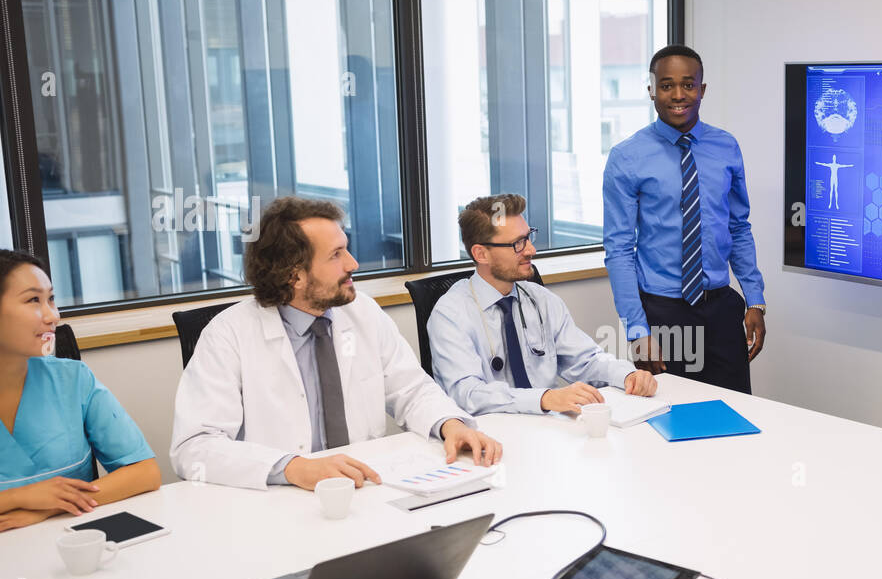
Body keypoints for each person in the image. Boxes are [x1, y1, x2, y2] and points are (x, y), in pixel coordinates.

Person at [170, 196, 501, 491]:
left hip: (366, 489)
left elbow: (411, 389)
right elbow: (194, 447)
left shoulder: (363, 313)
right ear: (294, 275)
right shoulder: (228, 335)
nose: (353, 264)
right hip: (279, 503)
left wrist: (450, 424)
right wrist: (293, 468)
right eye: (336, 255)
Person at [602, 44, 766, 394]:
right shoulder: (627, 158)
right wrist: (637, 329)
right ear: (651, 90)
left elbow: (738, 227)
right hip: (663, 316)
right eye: (666, 85)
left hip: (721, 309)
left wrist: (754, 298)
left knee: (735, 417)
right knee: (669, 421)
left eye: (688, 85)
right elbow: (618, 249)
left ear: (702, 90)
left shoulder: (726, 147)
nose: (678, 95)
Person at [430, 193, 657, 415]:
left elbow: (586, 360)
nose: (531, 250)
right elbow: (467, 394)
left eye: (528, 237)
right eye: (517, 244)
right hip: (489, 438)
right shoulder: (450, 314)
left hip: (549, 431)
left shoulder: (540, 299)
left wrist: (627, 375)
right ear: (481, 254)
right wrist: (545, 398)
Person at [0, 250, 160, 532]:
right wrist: (19, 497)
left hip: (73, 547)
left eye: (51, 299)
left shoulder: (73, 380)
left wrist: (52, 507)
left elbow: (144, 472)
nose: (53, 316)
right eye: (33, 300)